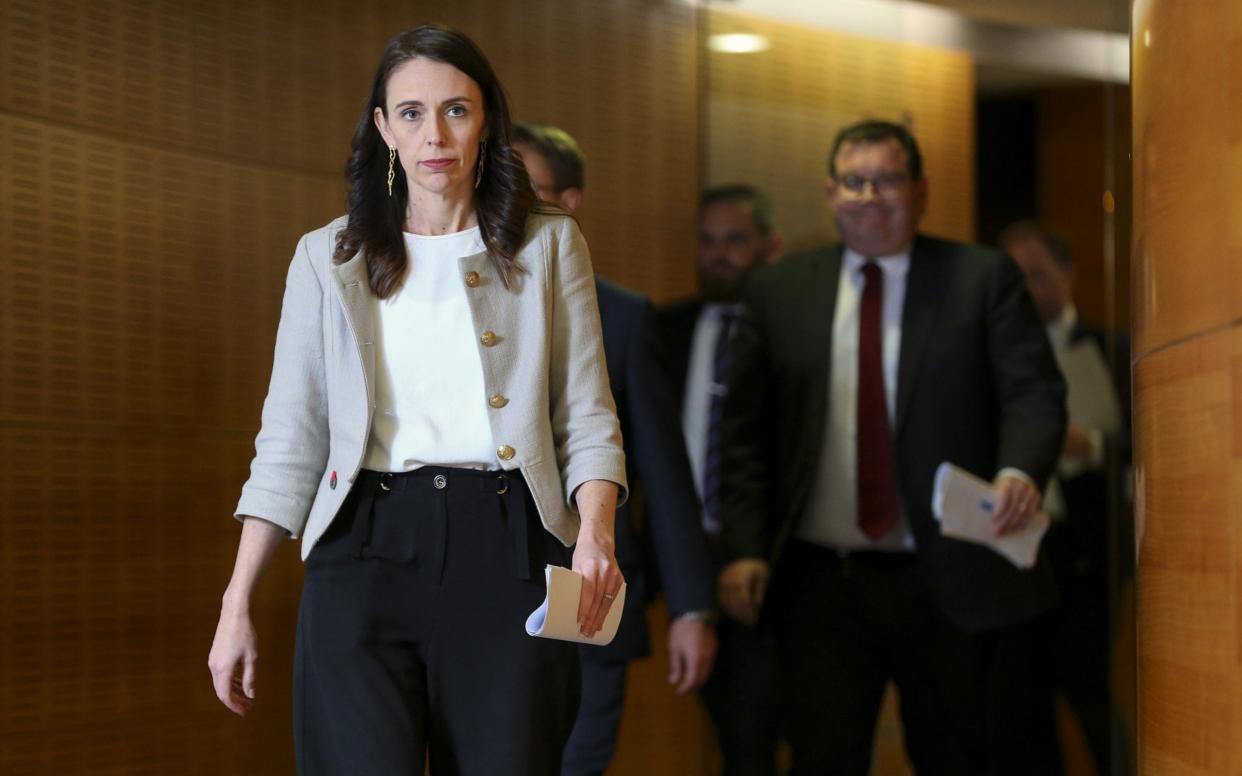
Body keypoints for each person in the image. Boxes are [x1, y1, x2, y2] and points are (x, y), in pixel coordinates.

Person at [206, 25, 628, 776]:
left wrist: (595, 531)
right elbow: (290, 439)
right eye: (410, 113)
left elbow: (587, 413)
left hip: (508, 548)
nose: (434, 134)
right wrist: (238, 599)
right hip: (361, 552)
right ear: (382, 128)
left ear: (486, 120)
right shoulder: (326, 257)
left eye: (456, 111)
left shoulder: (551, 244)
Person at [716, 120, 1068, 775]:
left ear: (921, 190)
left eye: (888, 180)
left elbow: (1034, 394)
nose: (870, 195)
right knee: (823, 755)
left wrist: (1020, 469)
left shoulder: (981, 278)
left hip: (948, 574)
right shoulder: (780, 290)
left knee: (958, 754)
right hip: (822, 581)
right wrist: (742, 547)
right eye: (855, 181)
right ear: (830, 192)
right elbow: (743, 437)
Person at [511, 122, 718, 776]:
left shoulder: (622, 317)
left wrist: (690, 606)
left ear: (568, 201)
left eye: (526, 187)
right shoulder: (453, 301)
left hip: (590, 600)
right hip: (486, 600)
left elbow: (662, 466)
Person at [654, 184, 785, 776]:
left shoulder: (792, 333)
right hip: (685, 555)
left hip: (770, 559)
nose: (719, 255)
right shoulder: (665, 327)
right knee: (720, 722)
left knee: (757, 726)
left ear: (770, 247)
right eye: (708, 242)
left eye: (735, 240)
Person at [1000, 219, 1133, 774]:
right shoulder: (994, 354)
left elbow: (1154, 451)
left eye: (1038, 276)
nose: (1028, 291)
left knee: (1092, 699)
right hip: (1015, 555)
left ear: (1069, 274)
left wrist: (1092, 446)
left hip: (1084, 557)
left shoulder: (1110, 347)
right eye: (1016, 280)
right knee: (1019, 712)